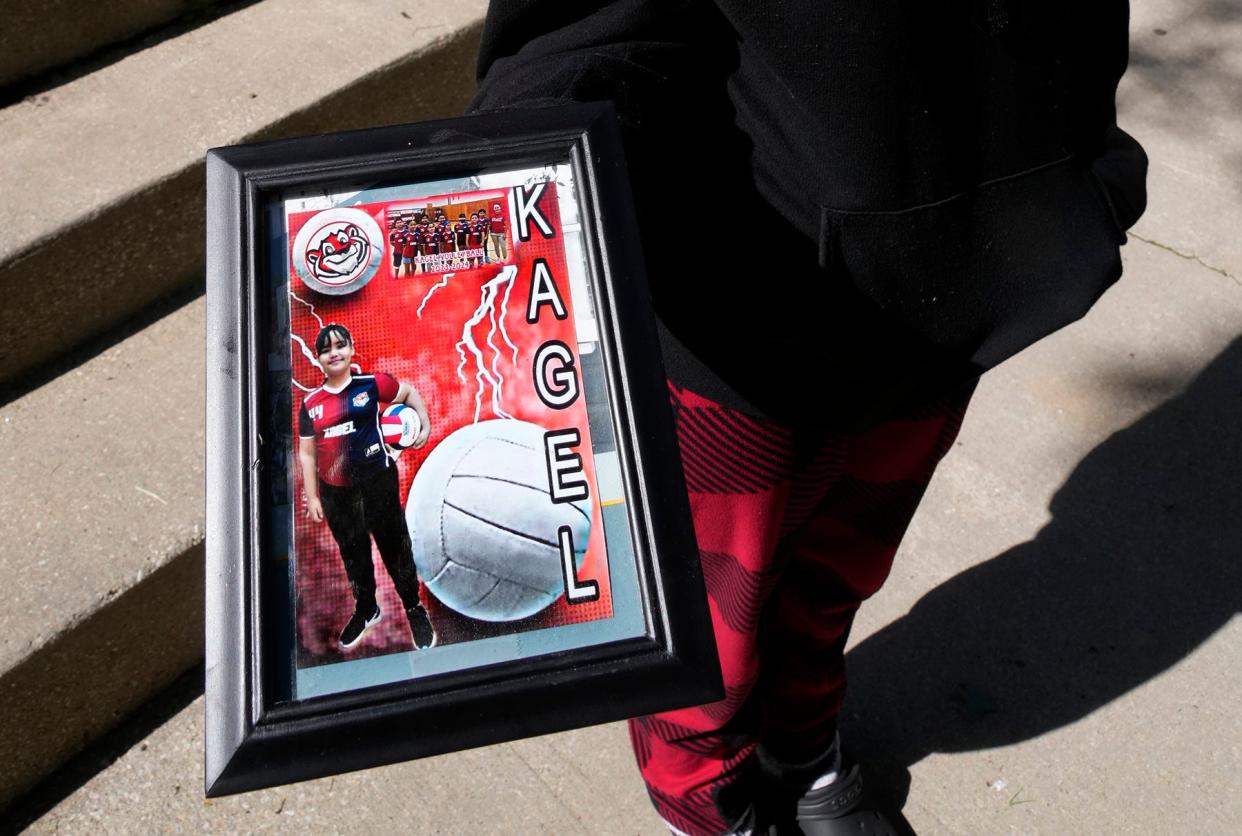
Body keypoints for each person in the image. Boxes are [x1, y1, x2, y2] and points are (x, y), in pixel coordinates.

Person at [470, 3, 1147, 834]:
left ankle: (803, 745)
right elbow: (584, 32)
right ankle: (710, 800)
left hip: (963, 288)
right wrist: (523, 164)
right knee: (713, 622)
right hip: (744, 330)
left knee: (842, 570)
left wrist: (1088, 172)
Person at [298, 323, 437, 651]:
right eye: (325, 349)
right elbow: (306, 452)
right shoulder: (311, 403)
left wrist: (424, 427)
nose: (334, 353)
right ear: (318, 358)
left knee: (395, 547)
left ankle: (412, 606)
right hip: (335, 492)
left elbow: (409, 393)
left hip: (378, 480)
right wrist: (314, 497)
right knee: (353, 554)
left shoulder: (371, 385)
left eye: (339, 346)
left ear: (350, 350)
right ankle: (365, 608)